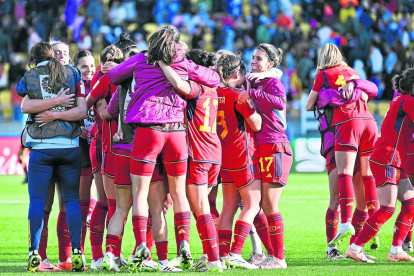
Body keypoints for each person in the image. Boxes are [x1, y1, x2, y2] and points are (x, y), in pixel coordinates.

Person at [108, 25, 220, 271]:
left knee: (140, 195)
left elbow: (114, 76)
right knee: (179, 194)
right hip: (177, 133)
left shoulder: (140, 60)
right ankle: (184, 244)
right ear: (176, 44)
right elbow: (214, 78)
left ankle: (141, 245)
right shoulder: (182, 62)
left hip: (148, 131)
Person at [16, 41, 87, 272]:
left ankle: (34, 254)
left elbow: (24, 101)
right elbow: (82, 110)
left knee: (37, 202)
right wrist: (58, 104)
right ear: (53, 55)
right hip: (69, 146)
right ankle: (77, 253)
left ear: (34, 58)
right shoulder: (73, 72)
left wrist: (48, 112)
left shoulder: (31, 75)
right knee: (71, 201)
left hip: (41, 148)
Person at [306, 43, 378, 247]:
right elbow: (370, 90)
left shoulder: (322, 75)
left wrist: (328, 97)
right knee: (361, 194)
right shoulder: (352, 74)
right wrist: (354, 91)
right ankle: (357, 239)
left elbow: (309, 104)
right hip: (359, 131)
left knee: (336, 197)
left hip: (337, 136)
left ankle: (341, 245)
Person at [158, 49, 222, 272]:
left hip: (198, 154)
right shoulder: (213, 88)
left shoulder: (197, 87)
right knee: (198, 208)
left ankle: (214, 260)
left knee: (201, 208)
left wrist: (163, 65)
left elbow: (179, 84)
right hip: (214, 153)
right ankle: (206, 255)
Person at [346, 69, 414, 263]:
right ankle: (355, 247)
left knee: (410, 203)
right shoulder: (408, 101)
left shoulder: (402, 100)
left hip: (392, 158)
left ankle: (396, 250)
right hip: (387, 158)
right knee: (388, 207)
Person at [238, 43, 291, 269]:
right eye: (253, 57)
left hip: (274, 146)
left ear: (270, 63)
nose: (253, 61)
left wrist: (252, 92)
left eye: (258, 58)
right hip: (258, 148)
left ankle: (279, 258)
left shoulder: (272, 82)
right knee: (254, 205)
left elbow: (279, 102)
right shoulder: (253, 81)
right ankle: (272, 253)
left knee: (269, 204)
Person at [316, 79, 380, 258]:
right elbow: (313, 102)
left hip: (355, 143)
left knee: (362, 204)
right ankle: (331, 250)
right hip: (333, 144)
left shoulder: (352, 85)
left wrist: (354, 84)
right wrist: (356, 93)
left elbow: (373, 89)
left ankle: (355, 247)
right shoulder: (323, 89)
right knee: (335, 200)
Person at [215, 53, 262, 270]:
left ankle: (223, 255)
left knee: (229, 207)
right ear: (237, 73)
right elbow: (257, 124)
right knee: (252, 204)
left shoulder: (214, 93)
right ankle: (235, 252)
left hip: (222, 157)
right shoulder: (240, 96)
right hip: (243, 155)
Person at [86, 44, 123, 269]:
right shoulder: (106, 79)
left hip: (107, 143)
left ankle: (105, 255)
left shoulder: (103, 79)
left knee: (114, 203)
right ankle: (103, 255)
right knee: (108, 203)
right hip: (105, 144)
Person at [73, 49, 99, 263]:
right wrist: (76, 128)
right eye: (84, 66)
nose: (89, 70)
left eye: (92, 65)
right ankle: (79, 252)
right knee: (82, 202)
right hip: (81, 148)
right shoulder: (73, 89)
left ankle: (100, 255)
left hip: (100, 145)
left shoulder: (101, 85)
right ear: (76, 68)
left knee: (102, 204)